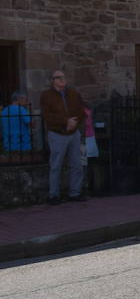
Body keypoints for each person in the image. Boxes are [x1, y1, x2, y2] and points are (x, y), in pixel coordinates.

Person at [40, 70, 86, 203]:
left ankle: (75, 193)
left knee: (77, 164)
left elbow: (82, 110)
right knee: (56, 165)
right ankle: (53, 195)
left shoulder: (73, 93)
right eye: (58, 77)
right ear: (52, 80)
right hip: (57, 134)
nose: (61, 79)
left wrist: (74, 122)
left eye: (63, 77)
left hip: (74, 133)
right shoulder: (46, 95)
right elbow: (47, 115)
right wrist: (66, 122)